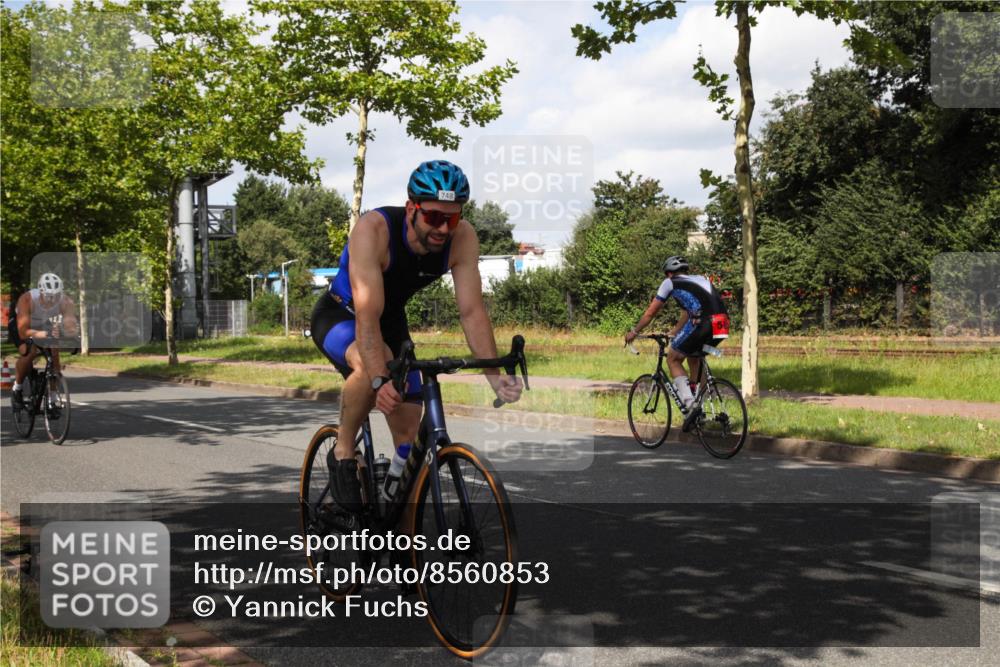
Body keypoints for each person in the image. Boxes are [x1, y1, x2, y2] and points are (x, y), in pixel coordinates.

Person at [310, 160, 523, 511]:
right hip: (342, 314)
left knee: (409, 445)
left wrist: (495, 377)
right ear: (412, 208)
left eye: (451, 218)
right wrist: (380, 380)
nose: (443, 228)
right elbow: (366, 315)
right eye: (433, 217)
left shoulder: (463, 237)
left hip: (390, 321)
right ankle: (344, 450)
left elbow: (471, 311)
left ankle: (402, 548)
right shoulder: (374, 230)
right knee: (370, 366)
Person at [624, 256, 729, 430]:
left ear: (669, 273)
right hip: (722, 323)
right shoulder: (699, 280)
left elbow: (651, 313)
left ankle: (691, 405)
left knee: (673, 358)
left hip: (703, 322)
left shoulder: (670, 282)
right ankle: (699, 411)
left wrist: (634, 332)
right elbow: (686, 314)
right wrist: (674, 333)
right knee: (694, 357)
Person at [9, 273, 79, 408]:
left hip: (42, 322)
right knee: (29, 351)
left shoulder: (66, 302)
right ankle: (17, 388)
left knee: (54, 353)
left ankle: (52, 399)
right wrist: (44, 333)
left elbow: (70, 325)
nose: (52, 300)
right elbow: (23, 332)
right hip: (21, 323)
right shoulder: (27, 299)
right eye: (48, 296)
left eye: (56, 296)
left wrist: (71, 335)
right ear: (41, 292)